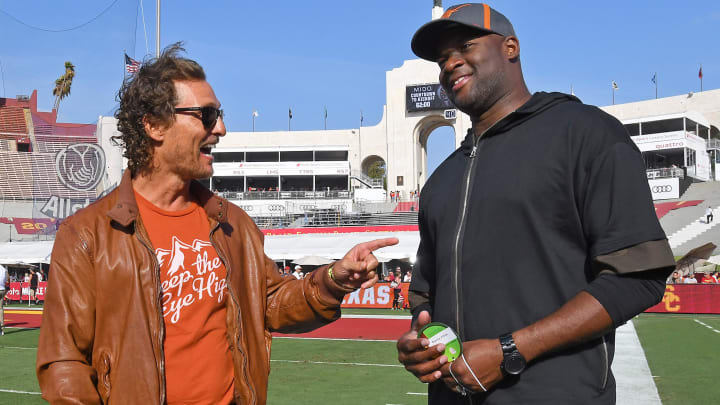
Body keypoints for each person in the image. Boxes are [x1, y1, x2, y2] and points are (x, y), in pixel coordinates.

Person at [36, 43, 397, 405]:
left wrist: (333, 280)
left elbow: (270, 302)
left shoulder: (232, 224)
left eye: (219, 114)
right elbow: (64, 362)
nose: (221, 128)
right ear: (154, 125)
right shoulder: (86, 235)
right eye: (206, 115)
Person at [397, 4, 676, 404]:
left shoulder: (584, 133)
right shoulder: (441, 180)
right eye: (442, 59)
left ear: (510, 47)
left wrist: (511, 349)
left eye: (466, 46)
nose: (450, 63)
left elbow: (637, 277)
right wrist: (420, 342)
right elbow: (425, 296)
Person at [0, 263, 7, 335]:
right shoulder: (3, 269)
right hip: (2, 289)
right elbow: (5, 280)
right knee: (1, 309)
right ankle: (2, 329)